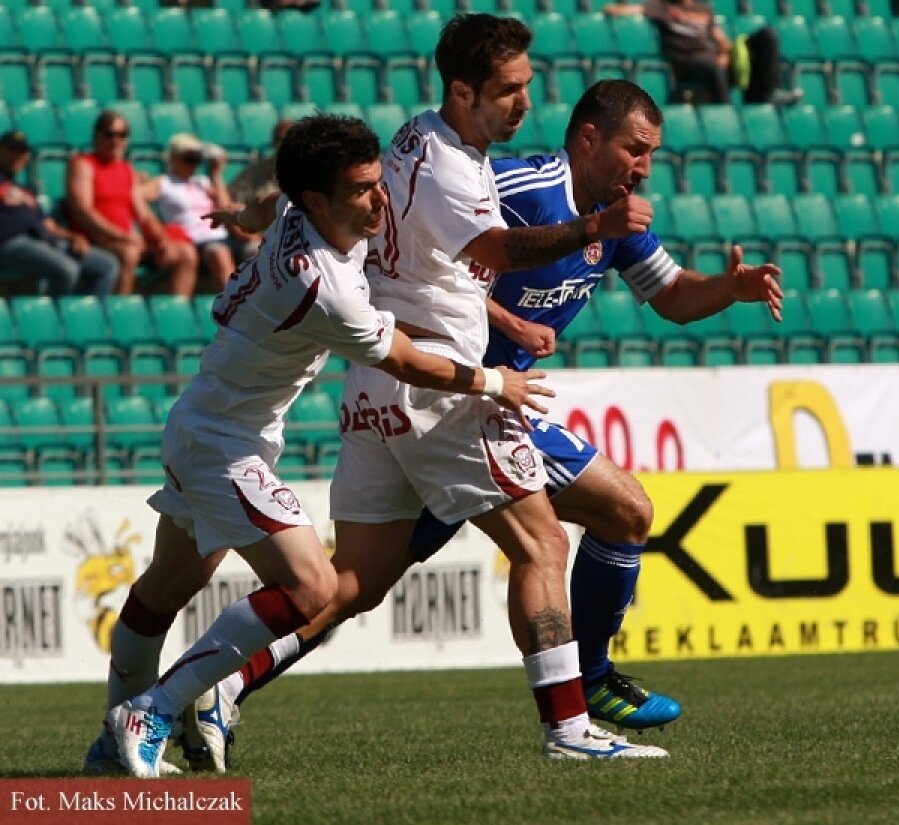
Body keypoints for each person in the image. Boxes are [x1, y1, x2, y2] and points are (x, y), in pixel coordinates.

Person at [200, 79, 784, 763]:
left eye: (651, 154)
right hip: (462, 402)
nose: (644, 167)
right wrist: (264, 211)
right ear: (589, 139)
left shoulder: (618, 218)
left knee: (362, 582)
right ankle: (582, 697)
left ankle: (223, 686)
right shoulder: (517, 186)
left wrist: (730, 290)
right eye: (634, 149)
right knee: (596, 519)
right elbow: (386, 214)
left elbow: (676, 297)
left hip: (471, 407)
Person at [87, 113, 553, 778]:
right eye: (362, 190)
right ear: (320, 200)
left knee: (165, 587)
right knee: (312, 584)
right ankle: (152, 709)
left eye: (376, 182)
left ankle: (112, 745)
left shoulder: (307, 209)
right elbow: (409, 363)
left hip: (209, 418)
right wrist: (492, 380)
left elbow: (270, 204)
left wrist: (243, 218)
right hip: (222, 442)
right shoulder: (322, 287)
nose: (380, 199)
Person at [66, 110, 199, 295]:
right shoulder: (83, 164)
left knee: (186, 254)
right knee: (129, 253)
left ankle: (177, 317)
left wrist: (160, 239)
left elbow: (143, 213)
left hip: (130, 240)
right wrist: (121, 236)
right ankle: (120, 313)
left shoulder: (126, 169)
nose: (116, 140)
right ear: (97, 136)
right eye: (110, 134)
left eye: (122, 135)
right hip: (98, 240)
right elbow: (83, 211)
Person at [605, 0, 795, 106]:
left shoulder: (703, 9)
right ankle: (726, 113)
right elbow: (627, 10)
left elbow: (721, 41)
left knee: (766, 36)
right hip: (689, 63)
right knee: (711, 66)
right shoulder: (663, 7)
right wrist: (612, 9)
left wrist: (725, 54)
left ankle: (765, 95)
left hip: (713, 63)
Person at [0, 130, 119, 297]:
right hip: (9, 244)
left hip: (43, 241)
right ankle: (48, 320)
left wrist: (73, 237)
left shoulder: (27, 191)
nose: (17, 156)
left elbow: (49, 226)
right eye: (11, 150)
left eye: (22, 152)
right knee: (67, 269)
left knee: (107, 265)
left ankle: (86, 319)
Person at [141, 133, 237, 294]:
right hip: (194, 239)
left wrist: (216, 175)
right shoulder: (164, 182)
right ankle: (235, 308)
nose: (193, 164)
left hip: (219, 235)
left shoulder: (202, 182)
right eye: (188, 158)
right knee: (218, 252)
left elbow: (225, 208)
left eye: (196, 159)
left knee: (256, 250)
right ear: (173, 159)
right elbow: (136, 196)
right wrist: (152, 225)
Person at [228, 119, 294, 261]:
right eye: (281, 140)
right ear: (273, 143)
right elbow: (232, 205)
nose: (285, 145)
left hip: (298, 239)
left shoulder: (311, 174)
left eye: (292, 140)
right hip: (259, 238)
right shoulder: (253, 172)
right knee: (257, 251)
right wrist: (248, 235)